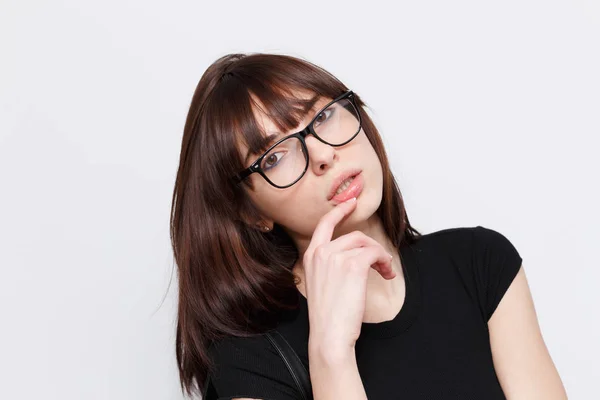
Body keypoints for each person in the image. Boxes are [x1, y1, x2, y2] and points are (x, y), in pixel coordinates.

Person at [169, 52, 567, 400]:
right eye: (275, 156)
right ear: (251, 212)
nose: (324, 154)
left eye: (323, 116)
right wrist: (331, 354)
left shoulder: (480, 264)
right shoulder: (251, 357)